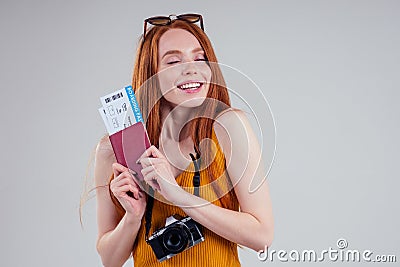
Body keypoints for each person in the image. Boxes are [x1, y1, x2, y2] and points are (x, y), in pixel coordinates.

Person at [94, 13, 273, 267]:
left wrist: (178, 195)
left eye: (200, 58)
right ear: (151, 74)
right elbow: (109, 260)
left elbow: (262, 236)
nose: (192, 68)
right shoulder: (112, 151)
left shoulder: (229, 128)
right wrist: (133, 218)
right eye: (174, 61)